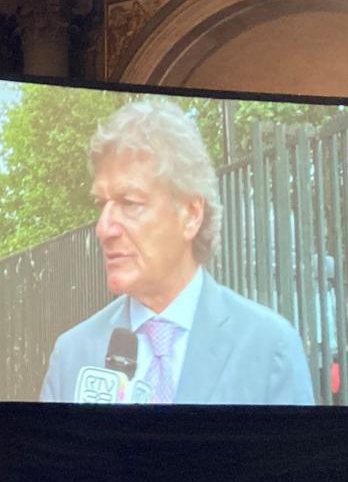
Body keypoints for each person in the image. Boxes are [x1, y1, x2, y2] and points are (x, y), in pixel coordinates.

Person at [40, 99, 313, 404]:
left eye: (129, 202)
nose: (104, 229)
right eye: (101, 204)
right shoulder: (71, 355)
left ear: (191, 214)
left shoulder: (269, 348)